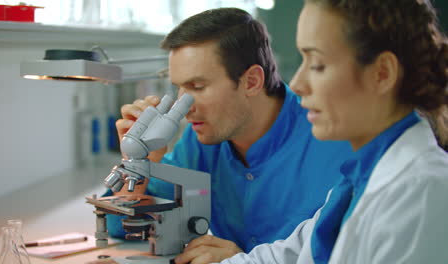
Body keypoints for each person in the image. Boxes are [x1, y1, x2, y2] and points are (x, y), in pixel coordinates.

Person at [108, 7, 353, 264]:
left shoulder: (336, 139)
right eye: (179, 87)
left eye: (197, 86)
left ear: (251, 81)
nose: (184, 106)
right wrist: (140, 163)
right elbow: (123, 227)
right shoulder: (201, 140)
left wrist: (245, 261)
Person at [211, 0, 448, 263]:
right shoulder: (355, 183)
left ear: (382, 73)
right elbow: (288, 256)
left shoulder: (422, 193)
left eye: (318, 64)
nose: (298, 84)